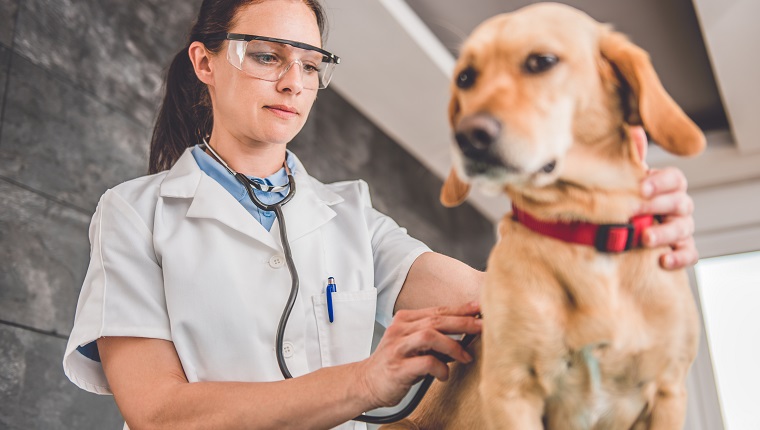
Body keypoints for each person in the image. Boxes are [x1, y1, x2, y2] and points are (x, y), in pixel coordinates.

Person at [62, 0, 699, 428]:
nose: (293, 82)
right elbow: (159, 411)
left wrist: (620, 231)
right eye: (266, 56)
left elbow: (503, 302)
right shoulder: (136, 213)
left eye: (311, 65)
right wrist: (366, 382)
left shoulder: (349, 213)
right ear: (206, 63)